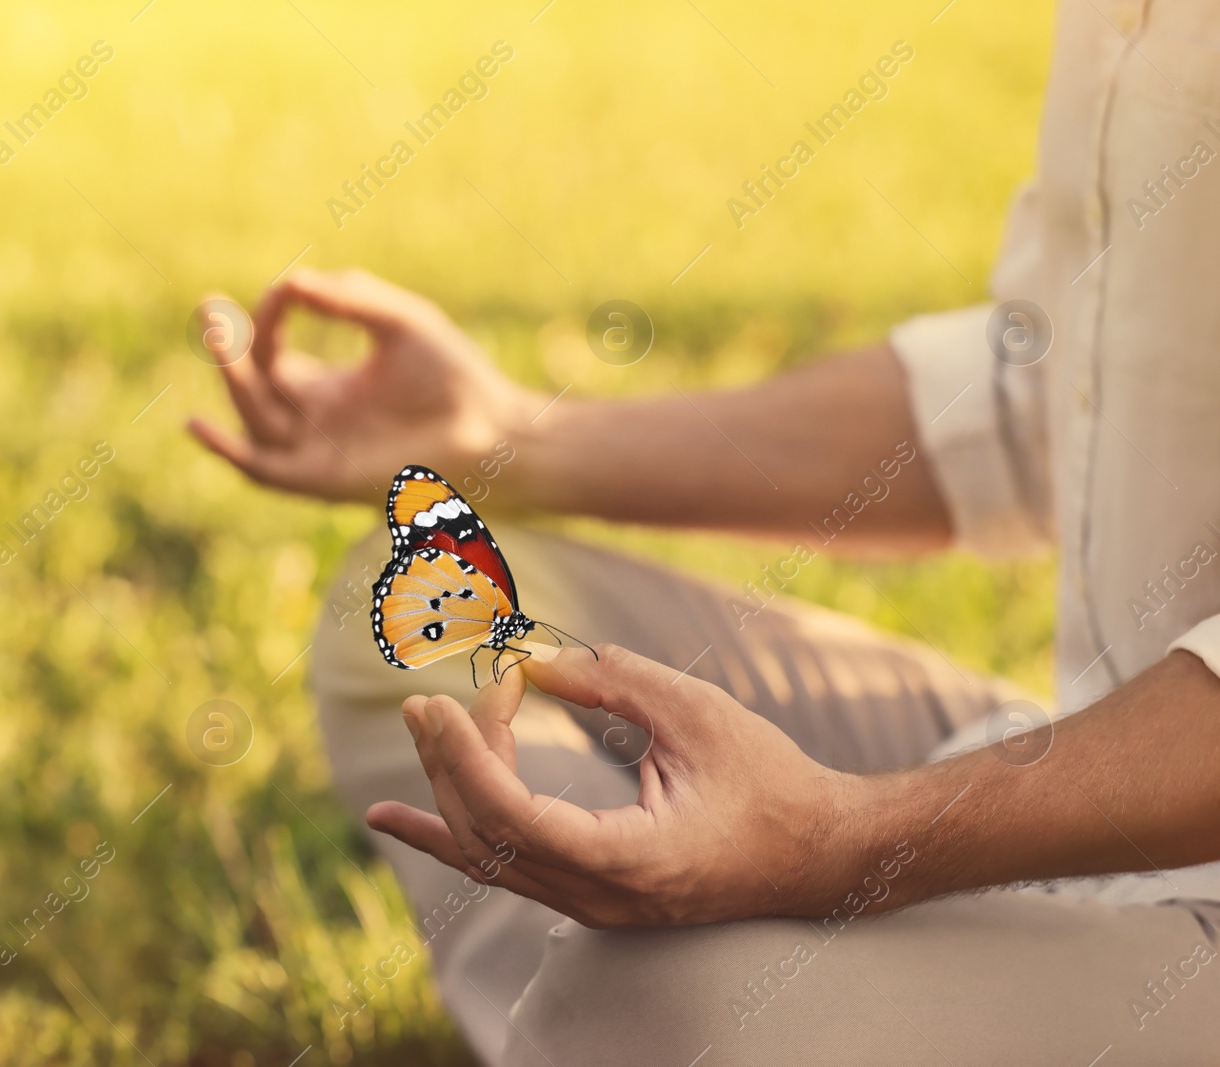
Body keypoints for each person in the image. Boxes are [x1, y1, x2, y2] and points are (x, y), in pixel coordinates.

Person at [188, 1, 1220, 1061]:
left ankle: (626, 1006)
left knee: (662, 1002)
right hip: (1097, 745)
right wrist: (508, 436)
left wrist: (844, 838)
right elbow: (1039, 390)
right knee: (427, 609)